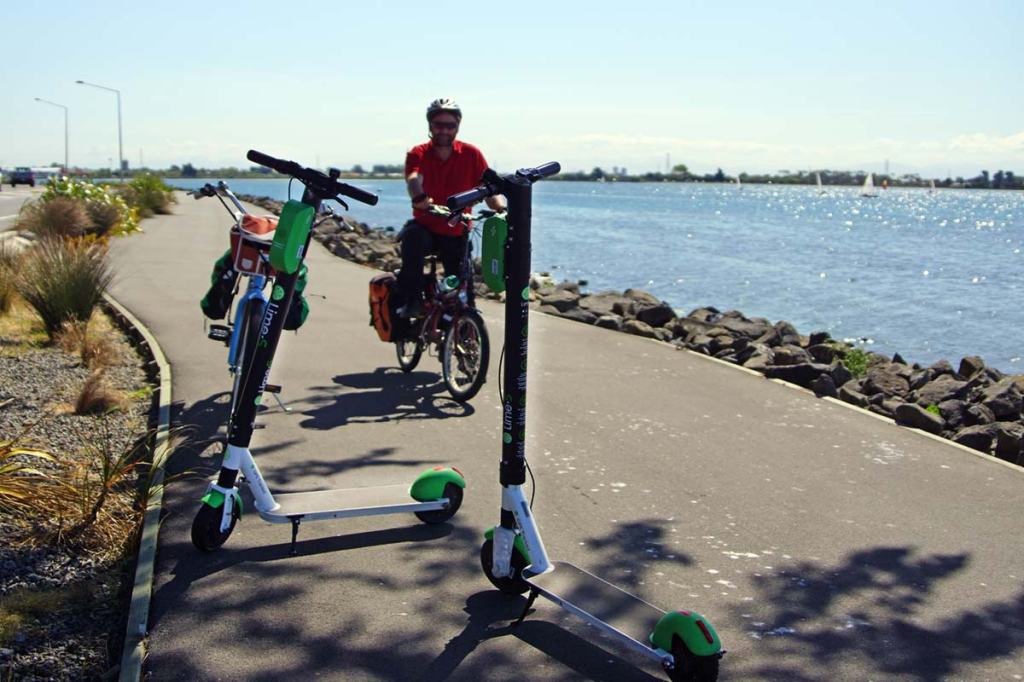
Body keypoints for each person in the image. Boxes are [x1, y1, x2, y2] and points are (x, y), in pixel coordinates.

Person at [396, 98, 506, 317]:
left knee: (464, 293)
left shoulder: (471, 154)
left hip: (457, 231)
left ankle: (465, 326)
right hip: (427, 227)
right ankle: (412, 301)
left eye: (450, 125)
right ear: (430, 126)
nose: (444, 130)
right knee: (412, 239)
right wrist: (419, 196)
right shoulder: (418, 153)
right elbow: (414, 178)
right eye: (439, 125)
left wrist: (501, 210)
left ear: (457, 126)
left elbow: (489, 189)